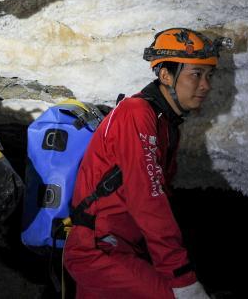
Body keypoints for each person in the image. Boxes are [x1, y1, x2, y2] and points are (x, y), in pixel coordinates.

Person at [63, 27, 231, 299]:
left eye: (209, 75)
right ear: (165, 75)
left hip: (122, 250)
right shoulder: (136, 112)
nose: (206, 85)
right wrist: (181, 276)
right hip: (99, 250)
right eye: (196, 74)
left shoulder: (167, 126)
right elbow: (147, 197)